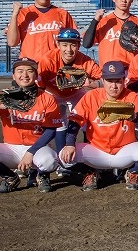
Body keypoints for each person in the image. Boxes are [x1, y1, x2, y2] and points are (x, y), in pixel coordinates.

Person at [59, 61, 138, 191]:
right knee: (63, 156)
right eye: (110, 81)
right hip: (96, 151)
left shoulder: (131, 95)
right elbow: (75, 120)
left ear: (123, 80)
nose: (114, 86)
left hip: (124, 151)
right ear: (102, 81)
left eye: (118, 81)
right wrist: (70, 143)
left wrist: (135, 117)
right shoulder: (92, 96)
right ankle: (90, 172)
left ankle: (132, 172)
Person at [0, 57, 61, 194]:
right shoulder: (3, 95)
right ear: (13, 75)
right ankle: (10, 177)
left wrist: (30, 152)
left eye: (29, 71)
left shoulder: (47, 98)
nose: (24, 75)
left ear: (36, 75)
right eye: (20, 71)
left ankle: (41, 175)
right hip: (11, 148)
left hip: (38, 148)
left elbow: (51, 131)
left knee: (50, 161)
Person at [36, 28, 102, 176]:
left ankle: (91, 158)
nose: (69, 49)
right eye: (65, 45)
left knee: (87, 121)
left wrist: (91, 83)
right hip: (52, 92)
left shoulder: (85, 61)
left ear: (78, 46)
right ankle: (61, 162)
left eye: (73, 45)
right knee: (57, 122)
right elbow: (40, 86)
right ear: (58, 45)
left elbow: (103, 80)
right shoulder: (48, 59)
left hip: (75, 92)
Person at [6, 0, 77, 61]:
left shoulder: (63, 14)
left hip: (55, 64)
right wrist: (14, 15)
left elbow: (73, 42)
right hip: (30, 65)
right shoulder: (23, 14)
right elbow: (12, 42)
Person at [83, 0, 138, 67]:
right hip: (109, 71)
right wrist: (95, 21)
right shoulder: (104, 22)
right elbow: (86, 44)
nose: (123, 0)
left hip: (132, 70)